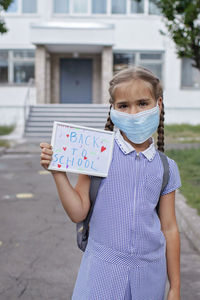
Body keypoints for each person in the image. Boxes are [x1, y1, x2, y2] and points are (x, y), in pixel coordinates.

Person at [40, 66, 181, 300]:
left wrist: (175, 287)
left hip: (149, 280)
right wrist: (58, 172)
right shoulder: (96, 152)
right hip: (100, 277)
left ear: (159, 104)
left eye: (143, 103)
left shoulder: (167, 168)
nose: (134, 113)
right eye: (123, 106)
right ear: (113, 109)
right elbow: (78, 212)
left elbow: (169, 228)